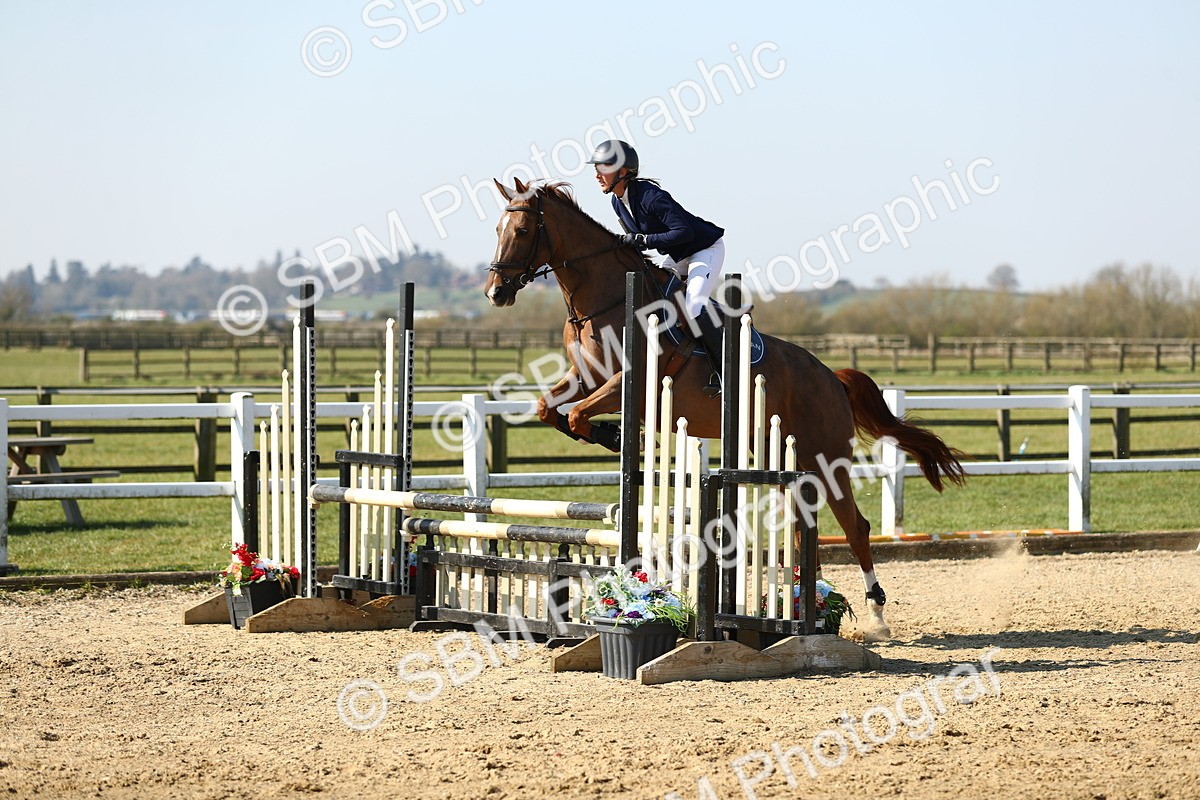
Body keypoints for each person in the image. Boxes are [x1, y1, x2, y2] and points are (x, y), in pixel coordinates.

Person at [586, 139, 726, 396]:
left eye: (603, 168)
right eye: (596, 168)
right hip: (675, 255)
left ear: (623, 171)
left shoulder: (651, 195)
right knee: (652, 296)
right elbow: (636, 244)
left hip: (703, 250)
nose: (597, 175)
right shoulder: (618, 202)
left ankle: (724, 372)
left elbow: (682, 231)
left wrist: (645, 240)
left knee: (693, 306)